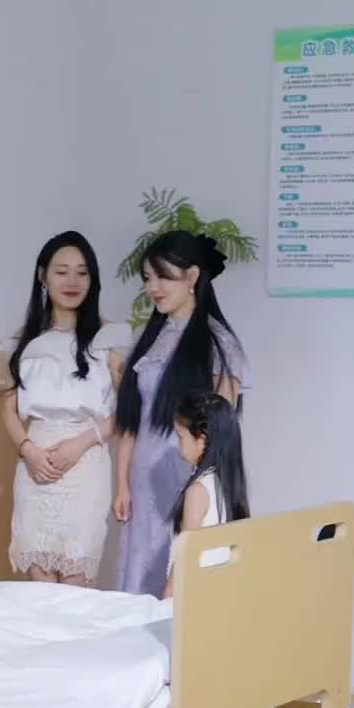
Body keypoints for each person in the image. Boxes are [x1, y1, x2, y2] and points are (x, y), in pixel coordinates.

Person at [114, 230, 250, 597]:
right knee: (139, 578)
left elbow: (220, 426)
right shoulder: (148, 339)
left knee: (178, 575)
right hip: (142, 482)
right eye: (147, 278)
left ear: (192, 277)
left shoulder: (219, 343)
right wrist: (122, 481)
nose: (153, 287)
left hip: (184, 480)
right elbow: (131, 419)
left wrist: (201, 488)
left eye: (163, 277)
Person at [2, 231, 129, 585]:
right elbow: (8, 410)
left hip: (86, 464)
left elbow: (127, 410)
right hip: (35, 466)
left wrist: (83, 442)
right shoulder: (24, 340)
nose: (72, 281)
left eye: (82, 272)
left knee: (76, 583)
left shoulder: (109, 337)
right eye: (62, 272)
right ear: (43, 276)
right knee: (40, 585)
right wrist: (28, 450)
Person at [161, 391, 250, 599]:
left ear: (201, 441)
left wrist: (164, 602)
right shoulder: (227, 486)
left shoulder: (198, 491)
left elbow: (184, 561)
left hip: (194, 599)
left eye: (180, 437)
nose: (177, 444)